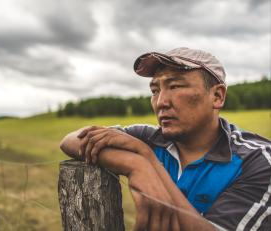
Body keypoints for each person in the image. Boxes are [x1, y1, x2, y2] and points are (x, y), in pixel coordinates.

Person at [59, 47, 271, 231]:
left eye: (175, 86)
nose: (160, 102)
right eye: (154, 90)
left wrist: (148, 160)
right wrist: (135, 164)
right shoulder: (151, 138)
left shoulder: (257, 161)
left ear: (217, 96)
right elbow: (71, 140)